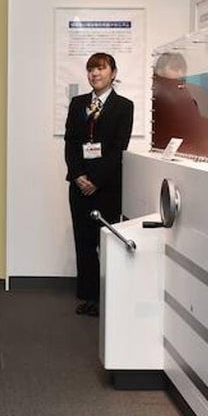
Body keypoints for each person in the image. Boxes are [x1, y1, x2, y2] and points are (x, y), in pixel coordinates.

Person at [63, 53, 134, 317]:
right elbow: (70, 142)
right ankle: (89, 296)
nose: (95, 74)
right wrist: (78, 175)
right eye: (91, 69)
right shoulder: (78, 103)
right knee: (84, 242)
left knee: (107, 242)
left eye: (101, 69)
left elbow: (119, 149)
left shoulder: (124, 106)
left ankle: (111, 295)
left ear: (113, 73)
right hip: (79, 184)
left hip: (107, 186)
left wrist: (96, 181)